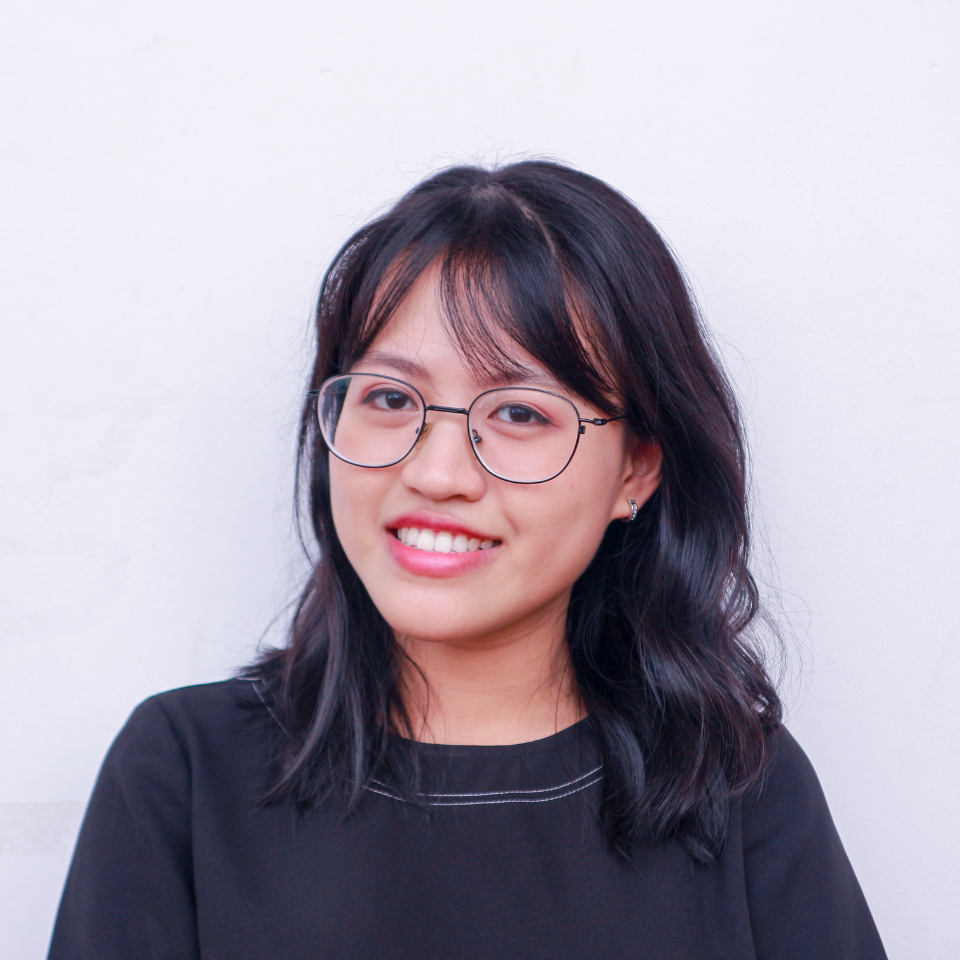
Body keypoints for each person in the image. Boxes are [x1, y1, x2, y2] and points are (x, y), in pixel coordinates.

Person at [48, 161, 887, 959]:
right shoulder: (185, 774)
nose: (437, 472)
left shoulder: (737, 786)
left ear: (636, 470)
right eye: (388, 398)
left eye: (520, 413)